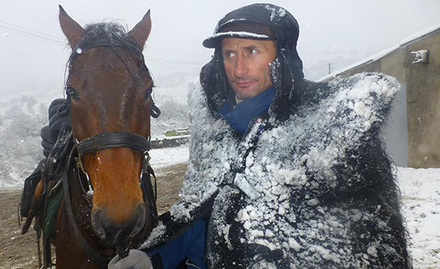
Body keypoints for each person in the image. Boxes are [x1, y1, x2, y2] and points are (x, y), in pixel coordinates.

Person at [108, 3, 411, 268]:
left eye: (251, 51)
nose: (238, 68)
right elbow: (199, 216)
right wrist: (156, 259)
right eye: (229, 53)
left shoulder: (332, 132)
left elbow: (371, 249)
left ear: (282, 55)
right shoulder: (216, 128)